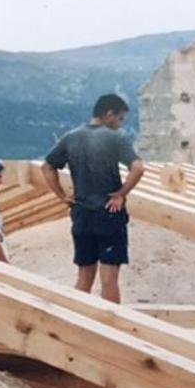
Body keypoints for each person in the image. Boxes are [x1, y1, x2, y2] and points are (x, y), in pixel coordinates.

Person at [40, 94, 146, 303]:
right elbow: (138, 168)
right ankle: (110, 321)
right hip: (108, 214)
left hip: (81, 214)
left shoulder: (71, 137)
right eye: (120, 118)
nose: (120, 124)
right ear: (109, 114)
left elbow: (47, 167)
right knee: (109, 280)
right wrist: (121, 193)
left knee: (84, 276)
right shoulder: (115, 137)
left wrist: (62, 195)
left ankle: (79, 319)